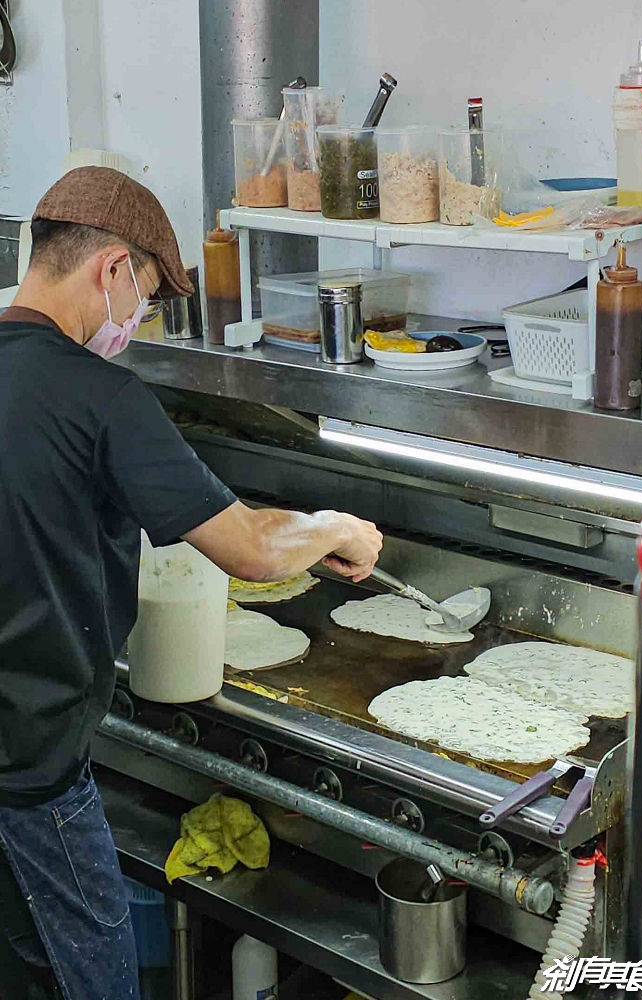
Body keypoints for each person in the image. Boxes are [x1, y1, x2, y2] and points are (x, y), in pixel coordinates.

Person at [0, 166, 383, 1000]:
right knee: (91, 982)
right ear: (109, 271)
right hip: (28, 774)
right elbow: (247, 548)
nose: (133, 325)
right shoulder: (99, 397)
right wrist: (338, 528)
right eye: (141, 299)